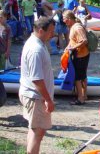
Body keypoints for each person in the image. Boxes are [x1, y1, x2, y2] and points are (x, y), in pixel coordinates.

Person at [19, 17, 55, 154]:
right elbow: (37, 79)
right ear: (41, 30)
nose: (53, 34)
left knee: (34, 130)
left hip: (34, 96)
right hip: (36, 97)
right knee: (38, 133)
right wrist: (48, 100)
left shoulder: (39, 43)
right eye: (50, 31)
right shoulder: (36, 49)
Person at [63, 10, 89, 105]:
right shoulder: (73, 26)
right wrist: (68, 47)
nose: (63, 21)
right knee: (82, 76)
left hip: (81, 55)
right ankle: (84, 95)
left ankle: (81, 98)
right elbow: (73, 40)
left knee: (78, 77)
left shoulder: (77, 28)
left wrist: (73, 47)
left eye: (64, 19)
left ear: (69, 19)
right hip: (80, 54)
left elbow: (84, 41)